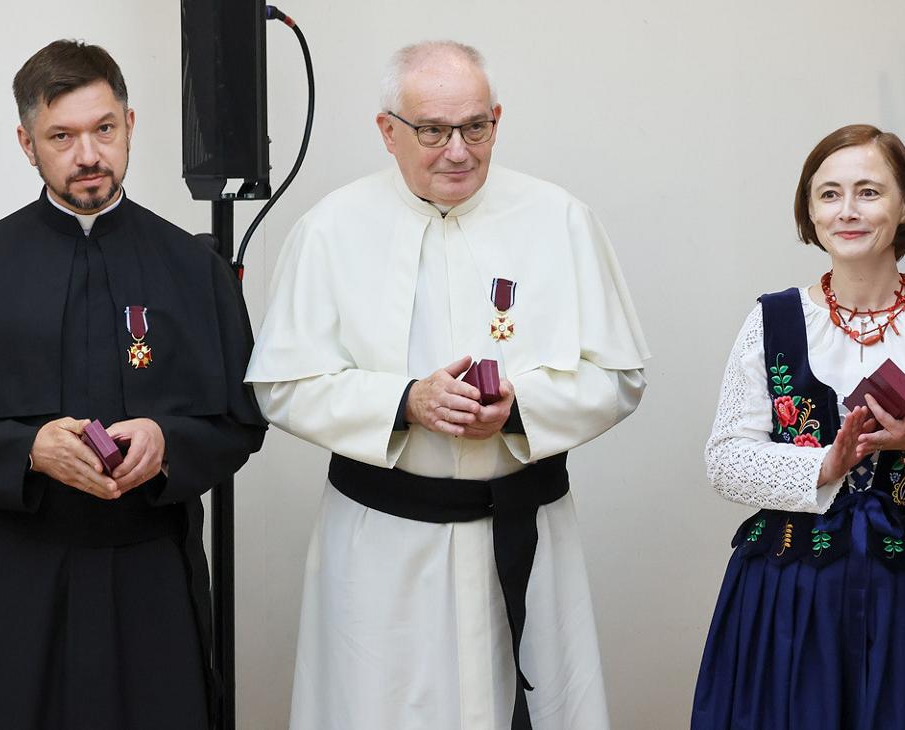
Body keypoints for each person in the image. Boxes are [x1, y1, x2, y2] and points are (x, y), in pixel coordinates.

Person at [245, 41, 649, 730]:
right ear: (388, 131)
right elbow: (281, 385)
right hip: (384, 543)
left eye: (476, 128)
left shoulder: (562, 220)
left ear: (496, 119)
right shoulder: (330, 230)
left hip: (525, 528)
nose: (458, 151)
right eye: (432, 131)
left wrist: (522, 409)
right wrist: (404, 402)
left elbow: (620, 374)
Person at [0, 39, 266, 729]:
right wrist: (26, 450)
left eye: (104, 129)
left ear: (130, 125)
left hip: (150, 565)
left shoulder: (194, 269)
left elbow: (241, 420)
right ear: (27, 143)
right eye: (62, 136)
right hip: (14, 568)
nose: (88, 155)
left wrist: (168, 441)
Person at [691, 124, 905, 729]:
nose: (847, 210)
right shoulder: (773, 320)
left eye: (869, 192)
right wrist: (825, 465)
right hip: (792, 598)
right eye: (829, 194)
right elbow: (725, 460)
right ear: (809, 210)